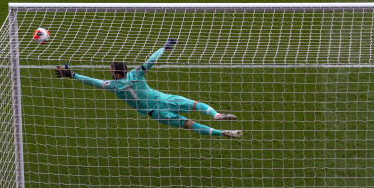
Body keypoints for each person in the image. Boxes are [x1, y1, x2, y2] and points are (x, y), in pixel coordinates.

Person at [55, 39, 242, 139]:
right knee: (195, 104)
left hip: (156, 112)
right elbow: (150, 61)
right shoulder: (136, 74)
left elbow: (92, 81)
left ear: (116, 74)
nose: (109, 72)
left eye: (111, 70)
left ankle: (222, 133)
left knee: (189, 124)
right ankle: (216, 115)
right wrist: (164, 48)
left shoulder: (112, 86)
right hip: (163, 98)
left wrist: (72, 75)